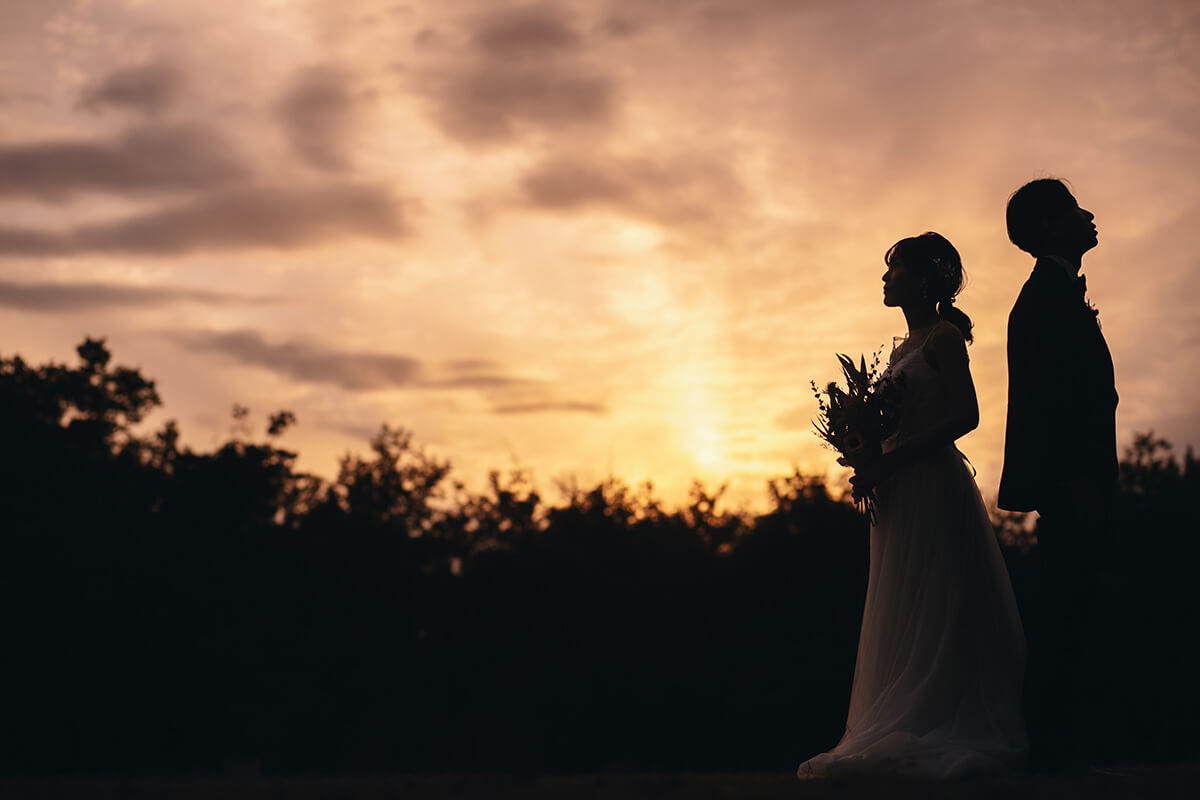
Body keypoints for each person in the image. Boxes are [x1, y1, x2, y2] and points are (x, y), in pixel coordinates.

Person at [797, 232, 1027, 779]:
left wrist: (892, 463)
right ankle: (905, 710)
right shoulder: (901, 348)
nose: (884, 277)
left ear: (923, 278)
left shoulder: (944, 338)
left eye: (893, 268)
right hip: (899, 492)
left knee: (940, 599)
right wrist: (868, 456)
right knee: (904, 601)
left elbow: (966, 416)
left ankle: (945, 718)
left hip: (932, 486)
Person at [999, 179, 1118, 770]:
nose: (1089, 215)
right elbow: (1046, 401)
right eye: (1075, 210)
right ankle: (1052, 749)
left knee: (1079, 611)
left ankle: (1069, 747)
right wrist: (1076, 482)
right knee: (1064, 615)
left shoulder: (1059, 293)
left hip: (1084, 482)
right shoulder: (1042, 300)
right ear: (1050, 227)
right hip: (1073, 486)